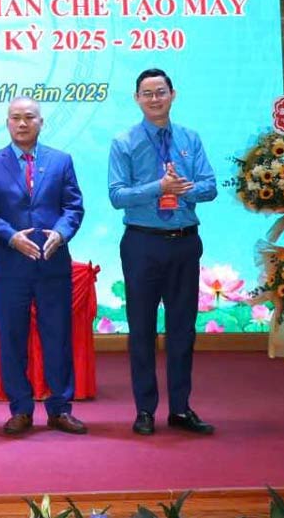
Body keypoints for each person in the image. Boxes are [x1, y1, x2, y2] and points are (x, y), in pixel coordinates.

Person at [108, 68, 217, 436]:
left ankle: (181, 409)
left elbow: (210, 186)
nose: (154, 99)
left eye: (160, 92)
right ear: (137, 99)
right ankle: (144, 410)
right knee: (141, 329)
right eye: (147, 93)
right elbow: (117, 195)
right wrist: (159, 187)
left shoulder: (190, 138)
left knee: (182, 329)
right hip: (142, 243)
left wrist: (185, 189)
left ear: (173, 94)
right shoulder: (123, 142)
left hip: (184, 241)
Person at [0, 97, 86, 436]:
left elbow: (73, 207)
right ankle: (21, 409)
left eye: (29, 117)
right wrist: (10, 237)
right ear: (7, 123)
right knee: (12, 340)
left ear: (41, 122)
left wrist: (61, 233)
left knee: (58, 337)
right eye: (15, 118)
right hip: (11, 266)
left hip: (53, 264)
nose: (22, 123)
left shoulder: (61, 160)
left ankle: (60, 408)